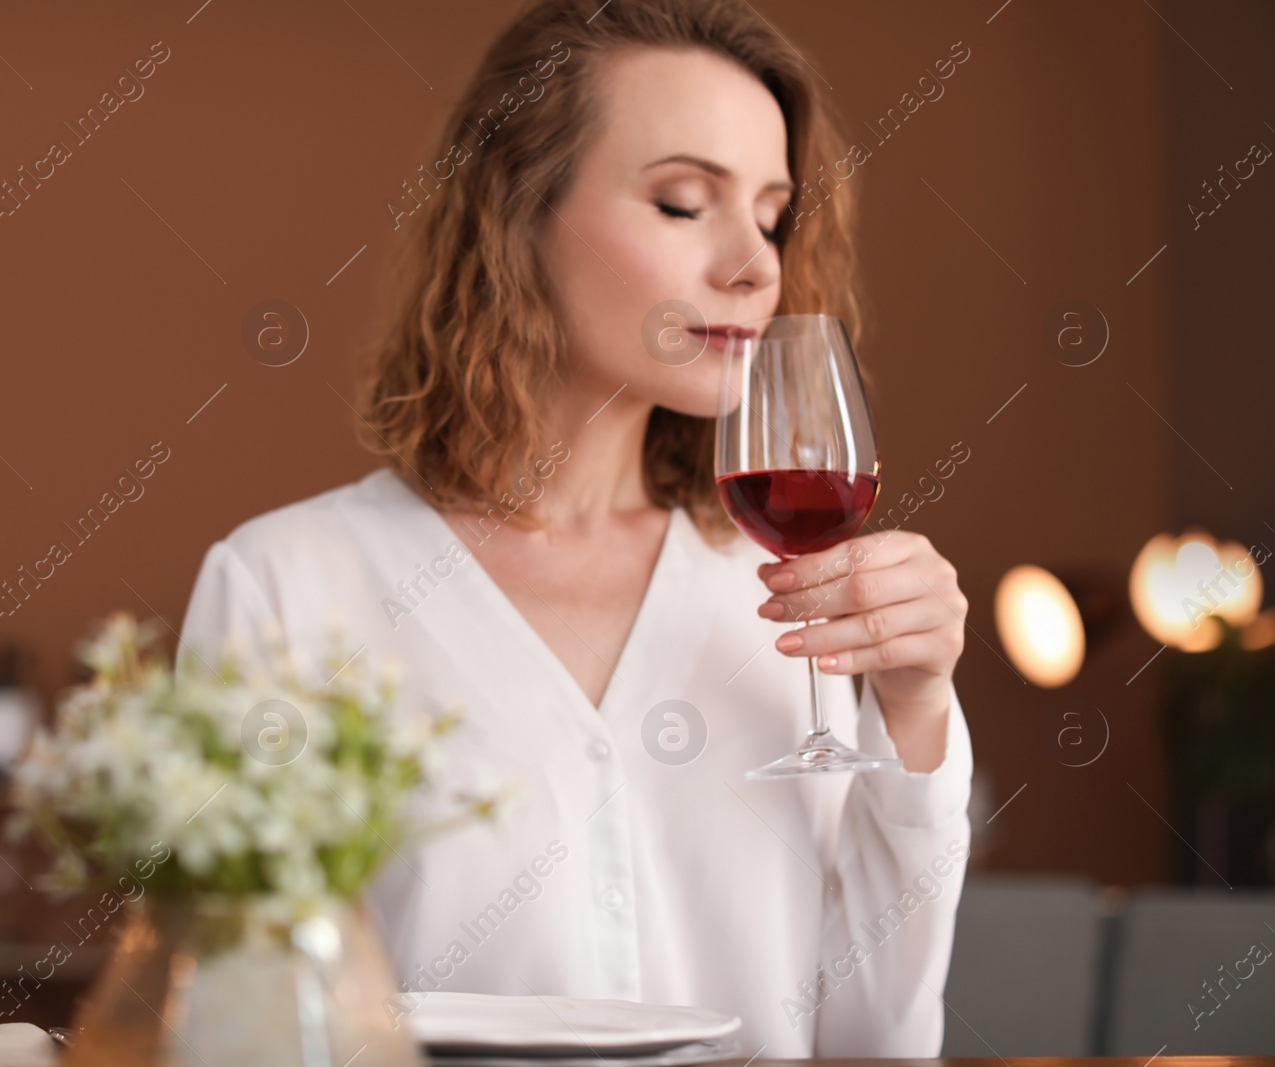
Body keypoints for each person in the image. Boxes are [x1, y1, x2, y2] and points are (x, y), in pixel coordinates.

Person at [179, 0, 972, 1054]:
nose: (754, 265)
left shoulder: (779, 594)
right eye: (684, 203)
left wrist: (915, 705)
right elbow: (234, 1023)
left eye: (773, 215)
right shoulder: (286, 585)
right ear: (518, 212)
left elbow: (876, 1038)